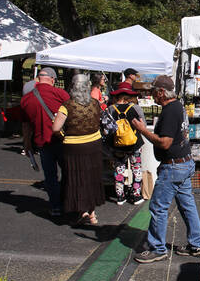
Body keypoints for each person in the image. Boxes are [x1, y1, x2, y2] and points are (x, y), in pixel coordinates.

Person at [131, 75, 200, 263]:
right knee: (187, 205)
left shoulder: (170, 111)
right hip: (184, 162)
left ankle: (158, 248)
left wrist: (143, 130)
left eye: (153, 91)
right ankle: (196, 244)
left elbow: (165, 143)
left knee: (158, 206)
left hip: (173, 166)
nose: (152, 95)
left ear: (162, 92)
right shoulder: (177, 106)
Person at [52, 74, 105, 225]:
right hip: (94, 144)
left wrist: (63, 135)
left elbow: (55, 128)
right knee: (91, 178)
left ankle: (83, 212)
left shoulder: (67, 106)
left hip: (74, 146)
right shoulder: (95, 103)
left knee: (77, 179)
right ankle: (93, 213)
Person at [21, 67, 70, 217]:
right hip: (62, 140)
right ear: (52, 79)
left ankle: (56, 206)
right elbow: (72, 114)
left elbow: (26, 125)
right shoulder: (60, 93)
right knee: (68, 172)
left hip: (42, 142)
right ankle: (68, 202)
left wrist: (27, 144)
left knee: (50, 177)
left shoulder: (26, 99)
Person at [108, 83, 145, 206]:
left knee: (119, 168)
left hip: (117, 144)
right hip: (134, 143)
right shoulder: (135, 108)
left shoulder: (111, 108)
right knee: (136, 168)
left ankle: (120, 195)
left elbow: (107, 128)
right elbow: (142, 126)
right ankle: (136, 194)